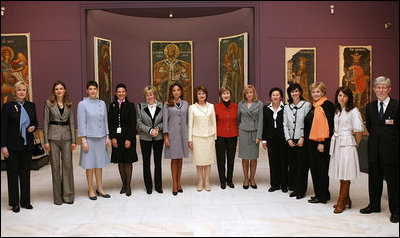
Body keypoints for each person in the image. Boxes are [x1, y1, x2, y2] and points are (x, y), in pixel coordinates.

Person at [360, 76, 399, 223]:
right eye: (378, 87)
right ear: (374, 89)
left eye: (384, 87)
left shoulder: (396, 106)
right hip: (374, 151)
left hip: (391, 152)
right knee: (374, 180)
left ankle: (396, 211)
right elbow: (370, 127)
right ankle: (374, 205)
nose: (381, 90)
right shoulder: (370, 106)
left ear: (389, 89)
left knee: (393, 183)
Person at [1, 81, 38, 213]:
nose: (22, 92)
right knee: (12, 174)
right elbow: (3, 128)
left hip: (26, 145)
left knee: (25, 174)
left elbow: (35, 122)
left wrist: (33, 127)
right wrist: (3, 146)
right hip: (12, 146)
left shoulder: (31, 106)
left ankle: (26, 201)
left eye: (24, 90)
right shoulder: (7, 107)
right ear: (15, 92)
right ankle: (14, 202)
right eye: (19, 90)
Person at [329, 87, 364, 213]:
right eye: (339, 95)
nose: (341, 98)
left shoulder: (353, 111)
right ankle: (347, 198)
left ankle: (341, 201)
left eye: (344, 95)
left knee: (345, 174)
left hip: (348, 144)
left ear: (349, 97)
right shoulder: (337, 110)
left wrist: (356, 145)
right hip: (337, 143)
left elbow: (359, 130)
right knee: (341, 172)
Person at [43, 81, 76, 205]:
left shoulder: (69, 104)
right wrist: (46, 141)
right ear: (54, 91)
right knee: (55, 167)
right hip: (53, 138)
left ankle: (68, 196)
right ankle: (58, 198)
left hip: (67, 138)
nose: (59, 91)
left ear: (65, 90)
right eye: (56, 89)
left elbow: (72, 122)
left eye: (61, 88)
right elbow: (45, 122)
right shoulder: (48, 104)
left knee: (67, 166)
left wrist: (73, 140)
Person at [77, 80, 111, 200]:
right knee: (90, 165)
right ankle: (91, 189)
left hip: (101, 138)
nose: (92, 91)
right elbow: (81, 123)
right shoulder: (82, 104)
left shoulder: (102, 103)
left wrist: (107, 137)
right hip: (89, 139)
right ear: (87, 90)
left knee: (99, 164)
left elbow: (105, 120)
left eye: (94, 89)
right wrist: (83, 140)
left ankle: (100, 188)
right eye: (90, 89)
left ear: (97, 90)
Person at [304, 82, 334, 204]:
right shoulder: (314, 105)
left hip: (322, 143)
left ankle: (321, 197)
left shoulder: (327, 105)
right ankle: (322, 194)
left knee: (321, 171)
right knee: (315, 170)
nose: (315, 94)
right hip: (312, 142)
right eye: (314, 92)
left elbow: (329, 125)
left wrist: (323, 143)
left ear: (323, 93)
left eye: (318, 92)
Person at [108, 83, 138, 197]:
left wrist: (129, 139)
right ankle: (123, 184)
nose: (121, 93)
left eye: (123, 91)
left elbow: (133, 123)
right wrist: (113, 137)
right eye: (119, 92)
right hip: (117, 138)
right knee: (120, 161)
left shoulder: (130, 106)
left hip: (128, 137)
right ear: (116, 93)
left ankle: (128, 185)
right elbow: (110, 123)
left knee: (128, 161)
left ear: (126, 93)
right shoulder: (112, 105)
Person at [283, 83, 312, 199]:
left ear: (300, 92)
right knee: (293, 165)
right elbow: (284, 124)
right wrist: (288, 139)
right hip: (291, 140)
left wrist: (302, 137)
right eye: (292, 91)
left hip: (301, 140)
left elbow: (307, 123)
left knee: (302, 166)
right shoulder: (286, 107)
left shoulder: (307, 105)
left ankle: (301, 190)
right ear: (289, 93)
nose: (294, 93)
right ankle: (294, 188)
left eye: (296, 91)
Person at [188, 86, 217, 192]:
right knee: (199, 161)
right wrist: (190, 139)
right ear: (196, 95)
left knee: (208, 161)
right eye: (199, 93)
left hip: (209, 137)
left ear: (206, 95)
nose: (201, 95)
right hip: (197, 137)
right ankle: (200, 182)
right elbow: (190, 124)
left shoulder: (211, 106)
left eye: (203, 93)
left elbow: (214, 122)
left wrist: (215, 136)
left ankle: (207, 182)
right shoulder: (192, 108)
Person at [137, 86, 164, 194]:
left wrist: (157, 128)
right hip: (145, 138)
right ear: (145, 96)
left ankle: (158, 186)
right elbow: (139, 122)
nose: (149, 97)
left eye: (151, 94)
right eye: (147, 95)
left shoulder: (162, 106)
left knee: (158, 162)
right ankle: (148, 186)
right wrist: (149, 131)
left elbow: (164, 121)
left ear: (154, 95)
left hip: (158, 137)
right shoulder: (140, 106)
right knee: (146, 162)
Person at [163, 83, 189, 195]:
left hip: (182, 134)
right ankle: (174, 184)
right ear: (171, 92)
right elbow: (165, 122)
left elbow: (187, 120)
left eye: (178, 90)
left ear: (181, 92)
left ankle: (179, 183)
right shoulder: (167, 104)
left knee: (180, 159)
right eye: (174, 90)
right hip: (172, 135)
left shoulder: (186, 104)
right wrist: (166, 137)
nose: (176, 92)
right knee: (174, 159)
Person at [237, 85, 263, 189]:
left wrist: (259, 136)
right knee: (244, 157)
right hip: (243, 132)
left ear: (254, 93)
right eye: (247, 93)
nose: (249, 95)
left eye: (251, 92)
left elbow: (261, 121)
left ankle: (252, 179)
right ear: (245, 94)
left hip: (254, 132)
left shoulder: (259, 104)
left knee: (253, 157)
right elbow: (238, 118)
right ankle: (245, 179)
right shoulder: (241, 104)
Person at [262, 87, 287, 193]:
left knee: (284, 161)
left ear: (281, 96)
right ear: (270, 97)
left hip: (283, 139)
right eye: (273, 95)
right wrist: (264, 140)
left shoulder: (286, 108)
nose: (275, 97)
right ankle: (274, 184)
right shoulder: (266, 109)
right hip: (271, 139)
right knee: (273, 162)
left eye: (277, 95)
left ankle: (284, 184)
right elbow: (264, 124)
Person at [215, 86, 238, 189]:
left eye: (227, 93)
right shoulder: (216, 107)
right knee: (221, 159)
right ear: (220, 96)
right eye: (224, 94)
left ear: (230, 94)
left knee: (231, 159)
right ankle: (222, 180)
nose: (226, 95)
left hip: (233, 135)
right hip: (220, 136)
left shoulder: (236, 106)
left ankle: (230, 179)